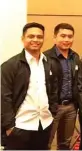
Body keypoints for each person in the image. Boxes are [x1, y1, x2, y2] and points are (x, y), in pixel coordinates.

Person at [1, 22, 58, 150]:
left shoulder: (49, 63)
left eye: (39, 37)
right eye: (31, 36)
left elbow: (53, 91)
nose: (35, 40)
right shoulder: (10, 65)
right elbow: (4, 98)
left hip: (44, 123)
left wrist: (52, 113)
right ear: (23, 38)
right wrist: (10, 127)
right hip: (20, 126)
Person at [43, 23, 82, 150]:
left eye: (70, 36)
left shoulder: (75, 57)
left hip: (71, 107)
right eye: (63, 36)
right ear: (55, 38)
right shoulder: (46, 57)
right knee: (46, 142)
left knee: (65, 144)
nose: (66, 39)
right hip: (52, 107)